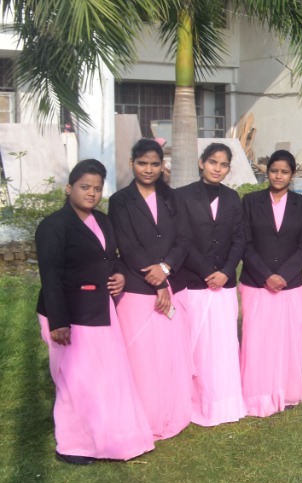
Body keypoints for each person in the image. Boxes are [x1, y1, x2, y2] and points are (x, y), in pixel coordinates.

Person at [35, 159, 154, 464]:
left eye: (97, 188)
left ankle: (106, 439)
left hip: (101, 309)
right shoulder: (53, 226)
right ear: (69, 188)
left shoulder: (102, 221)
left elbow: (110, 259)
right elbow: (50, 276)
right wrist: (59, 322)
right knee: (75, 381)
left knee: (104, 377)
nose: (91, 193)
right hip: (68, 314)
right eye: (85, 187)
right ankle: (72, 446)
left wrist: (120, 275)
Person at [109, 139, 192, 440]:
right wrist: (158, 283)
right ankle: (144, 417)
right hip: (136, 287)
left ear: (162, 166)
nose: (148, 169)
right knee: (142, 358)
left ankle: (172, 412)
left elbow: (184, 239)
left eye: (154, 164)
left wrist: (166, 269)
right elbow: (127, 245)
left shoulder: (173, 197)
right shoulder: (120, 201)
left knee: (169, 354)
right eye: (142, 163)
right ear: (132, 163)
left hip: (173, 282)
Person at [174, 143, 247, 426]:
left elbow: (239, 239)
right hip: (195, 282)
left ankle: (225, 402)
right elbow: (182, 239)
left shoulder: (232, 198)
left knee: (224, 344)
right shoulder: (182, 196)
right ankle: (196, 401)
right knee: (197, 344)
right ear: (201, 162)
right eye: (213, 162)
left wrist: (226, 272)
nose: (217, 168)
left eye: (224, 164)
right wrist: (207, 271)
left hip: (224, 284)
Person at [239, 150, 302, 417]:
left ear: (292, 175)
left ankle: (288, 390)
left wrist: (283, 274)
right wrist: (266, 275)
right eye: (274, 171)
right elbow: (244, 243)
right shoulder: (250, 202)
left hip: (289, 284)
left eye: (284, 172)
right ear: (267, 172)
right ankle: (257, 394)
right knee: (257, 340)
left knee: (288, 341)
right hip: (256, 283)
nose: (278, 176)